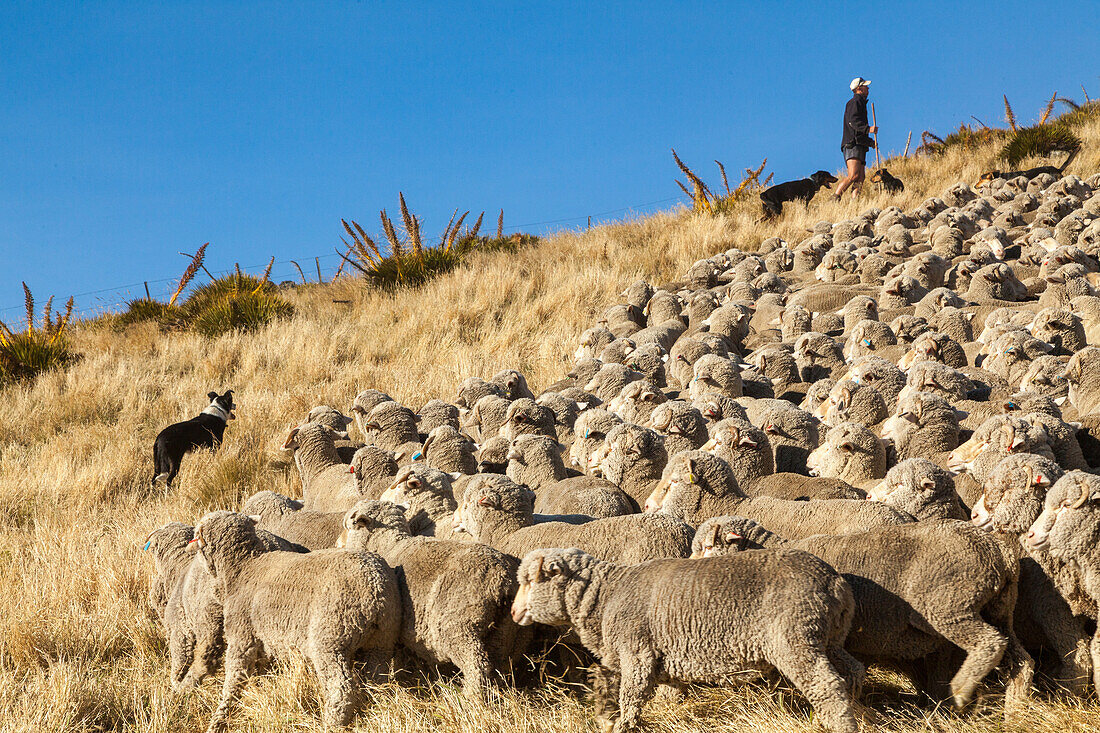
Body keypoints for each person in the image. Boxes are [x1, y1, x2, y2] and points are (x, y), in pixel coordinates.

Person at [833, 77, 877, 199]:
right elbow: (853, 122)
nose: (868, 88)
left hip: (860, 144)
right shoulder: (854, 103)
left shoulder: (860, 103)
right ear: (859, 88)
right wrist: (868, 129)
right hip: (852, 143)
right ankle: (835, 198)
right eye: (865, 86)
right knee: (853, 175)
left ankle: (855, 201)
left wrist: (870, 142)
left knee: (861, 177)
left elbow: (857, 127)